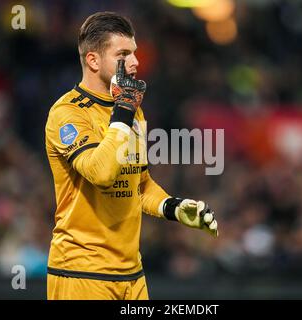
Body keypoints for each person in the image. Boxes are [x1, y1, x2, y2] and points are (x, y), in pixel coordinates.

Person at [44, 11, 218, 300]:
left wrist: (171, 207)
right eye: (123, 54)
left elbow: (138, 183)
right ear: (93, 60)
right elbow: (102, 173)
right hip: (82, 274)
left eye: (134, 53)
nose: (136, 62)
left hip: (132, 274)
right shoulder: (67, 113)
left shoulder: (133, 111)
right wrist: (122, 113)